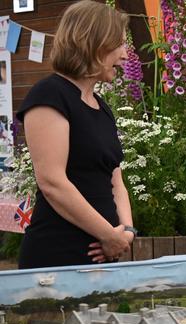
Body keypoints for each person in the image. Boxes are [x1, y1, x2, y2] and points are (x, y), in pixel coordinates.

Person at [16, 1, 134, 268]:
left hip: (106, 255)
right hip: (59, 255)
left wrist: (125, 232)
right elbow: (52, 182)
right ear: (94, 43)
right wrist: (107, 234)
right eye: (119, 45)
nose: (125, 55)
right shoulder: (49, 95)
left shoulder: (102, 107)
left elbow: (116, 182)